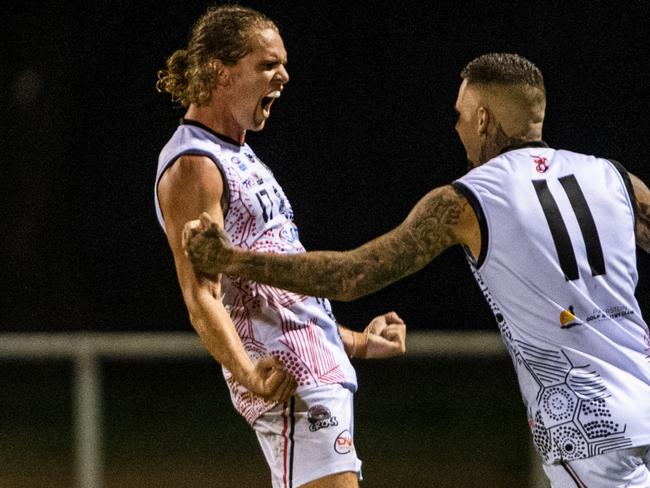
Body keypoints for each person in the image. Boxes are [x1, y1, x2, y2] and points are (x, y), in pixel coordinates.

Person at [184, 52, 650, 487]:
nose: (457, 127)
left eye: (461, 115)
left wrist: (233, 261)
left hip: (591, 425)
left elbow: (351, 276)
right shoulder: (614, 178)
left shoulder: (468, 198)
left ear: (483, 118)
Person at [154, 5, 406, 488]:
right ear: (218, 71)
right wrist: (248, 373)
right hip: (290, 386)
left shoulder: (241, 154)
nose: (284, 75)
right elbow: (201, 295)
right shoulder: (195, 164)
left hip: (317, 375)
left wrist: (356, 342)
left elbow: (278, 294)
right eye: (268, 64)